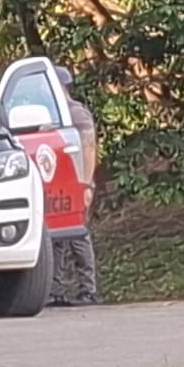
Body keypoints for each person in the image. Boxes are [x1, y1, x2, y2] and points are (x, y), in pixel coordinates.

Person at [49, 64, 100, 307]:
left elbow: (89, 148)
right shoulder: (53, 114)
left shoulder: (76, 113)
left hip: (77, 182)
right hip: (60, 183)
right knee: (57, 237)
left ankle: (88, 289)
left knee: (79, 236)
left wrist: (87, 185)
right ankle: (55, 290)